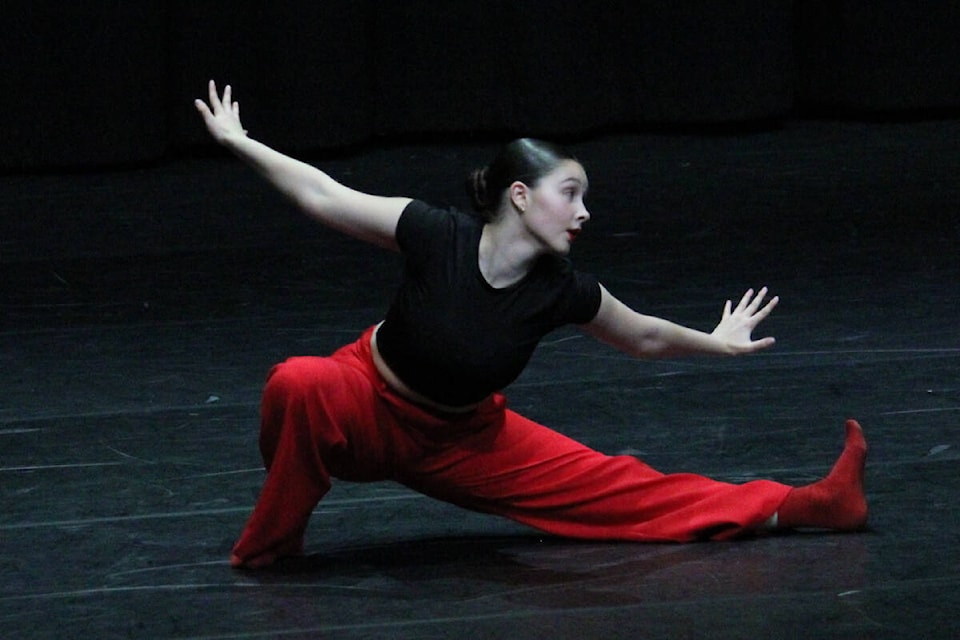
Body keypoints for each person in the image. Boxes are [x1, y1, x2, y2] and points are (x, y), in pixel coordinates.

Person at [194, 81, 868, 569]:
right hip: (368, 399)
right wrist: (240, 143)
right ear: (521, 196)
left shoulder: (562, 291)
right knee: (298, 383)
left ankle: (808, 506)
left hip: (465, 437)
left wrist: (716, 343)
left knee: (623, 490)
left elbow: (643, 336)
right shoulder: (436, 234)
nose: (583, 212)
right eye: (569, 194)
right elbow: (323, 194)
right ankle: (273, 547)